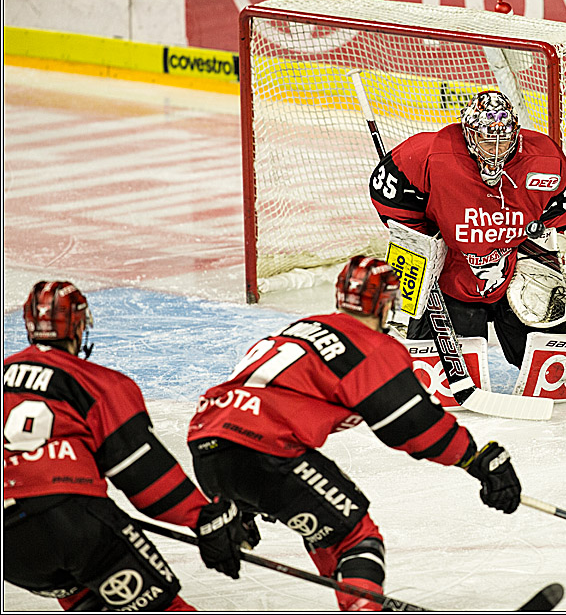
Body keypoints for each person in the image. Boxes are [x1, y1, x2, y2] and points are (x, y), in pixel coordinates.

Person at [186, 255, 523, 611]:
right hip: (267, 451)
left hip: (207, 448)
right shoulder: (369, 345)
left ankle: (359, 597)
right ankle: (364, 606)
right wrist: (476, 459)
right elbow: (413, 426)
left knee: (329, 528)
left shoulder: (301, 327)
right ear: (383, 304)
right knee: (356, 540)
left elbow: (244, 406)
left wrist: (239, 504)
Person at [4, 281, 246, 612]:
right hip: (71, 521)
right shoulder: (97, 382)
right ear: (78, 325)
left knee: (88, 598)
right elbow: (142, 472)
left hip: (11, 551)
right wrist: (203, 518)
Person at [369, 89, 566, 368]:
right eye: (487, 140)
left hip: (515, 270)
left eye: (504, 141)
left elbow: (553, 215)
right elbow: (387, 195)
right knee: (440, 370)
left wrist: (539, 257)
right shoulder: (429, 154)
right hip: (449, 276)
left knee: (549, 363)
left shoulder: (546, 161)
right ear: (468, 133)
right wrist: (422, 239)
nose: (495, 150)